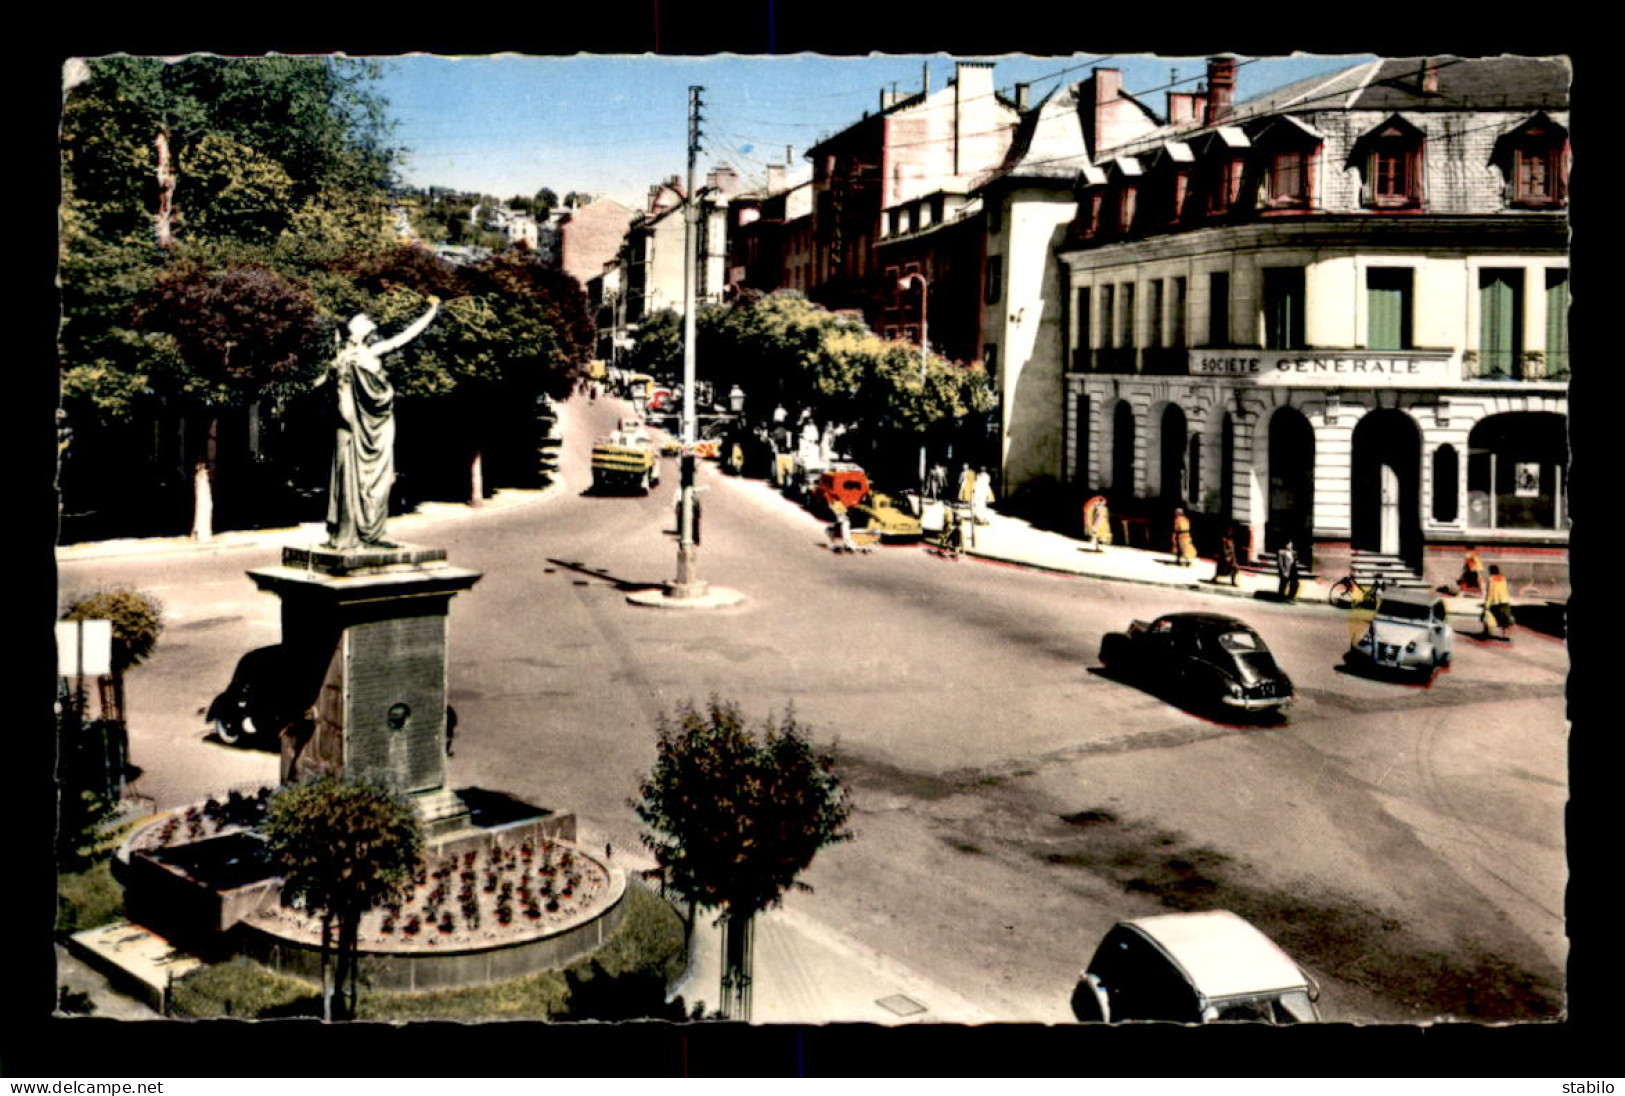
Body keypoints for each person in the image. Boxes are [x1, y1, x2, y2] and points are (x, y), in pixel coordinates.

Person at [1482, 564, 1514, 639]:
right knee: (1505, 618)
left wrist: (1487, 603)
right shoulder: (1503, 578)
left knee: (1487, 615)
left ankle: (1486, 632)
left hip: (1495, 602)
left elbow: (1490, 592)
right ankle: (1505, 634)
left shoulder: (1491, 579)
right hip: (1505, 600)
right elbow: (1505, 589)